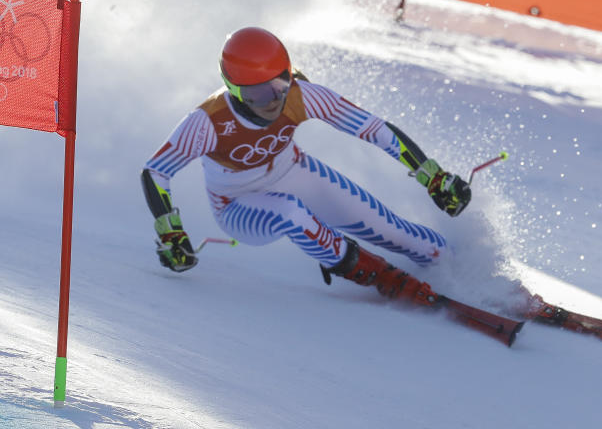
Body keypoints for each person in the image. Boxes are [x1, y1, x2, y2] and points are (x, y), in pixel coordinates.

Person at [141, 27, 471, 304]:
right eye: (255, 94)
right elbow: (156, 171)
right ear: (233, 91)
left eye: (280, 84)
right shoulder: (207, 121)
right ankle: (380, 276)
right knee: (290, 213)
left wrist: (433, 177)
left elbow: (374, 129)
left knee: (395, 231)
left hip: (294, 172)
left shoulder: (302, 95)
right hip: (236, 205)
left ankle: (466, 274)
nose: (272, 100)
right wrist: (171, 234)